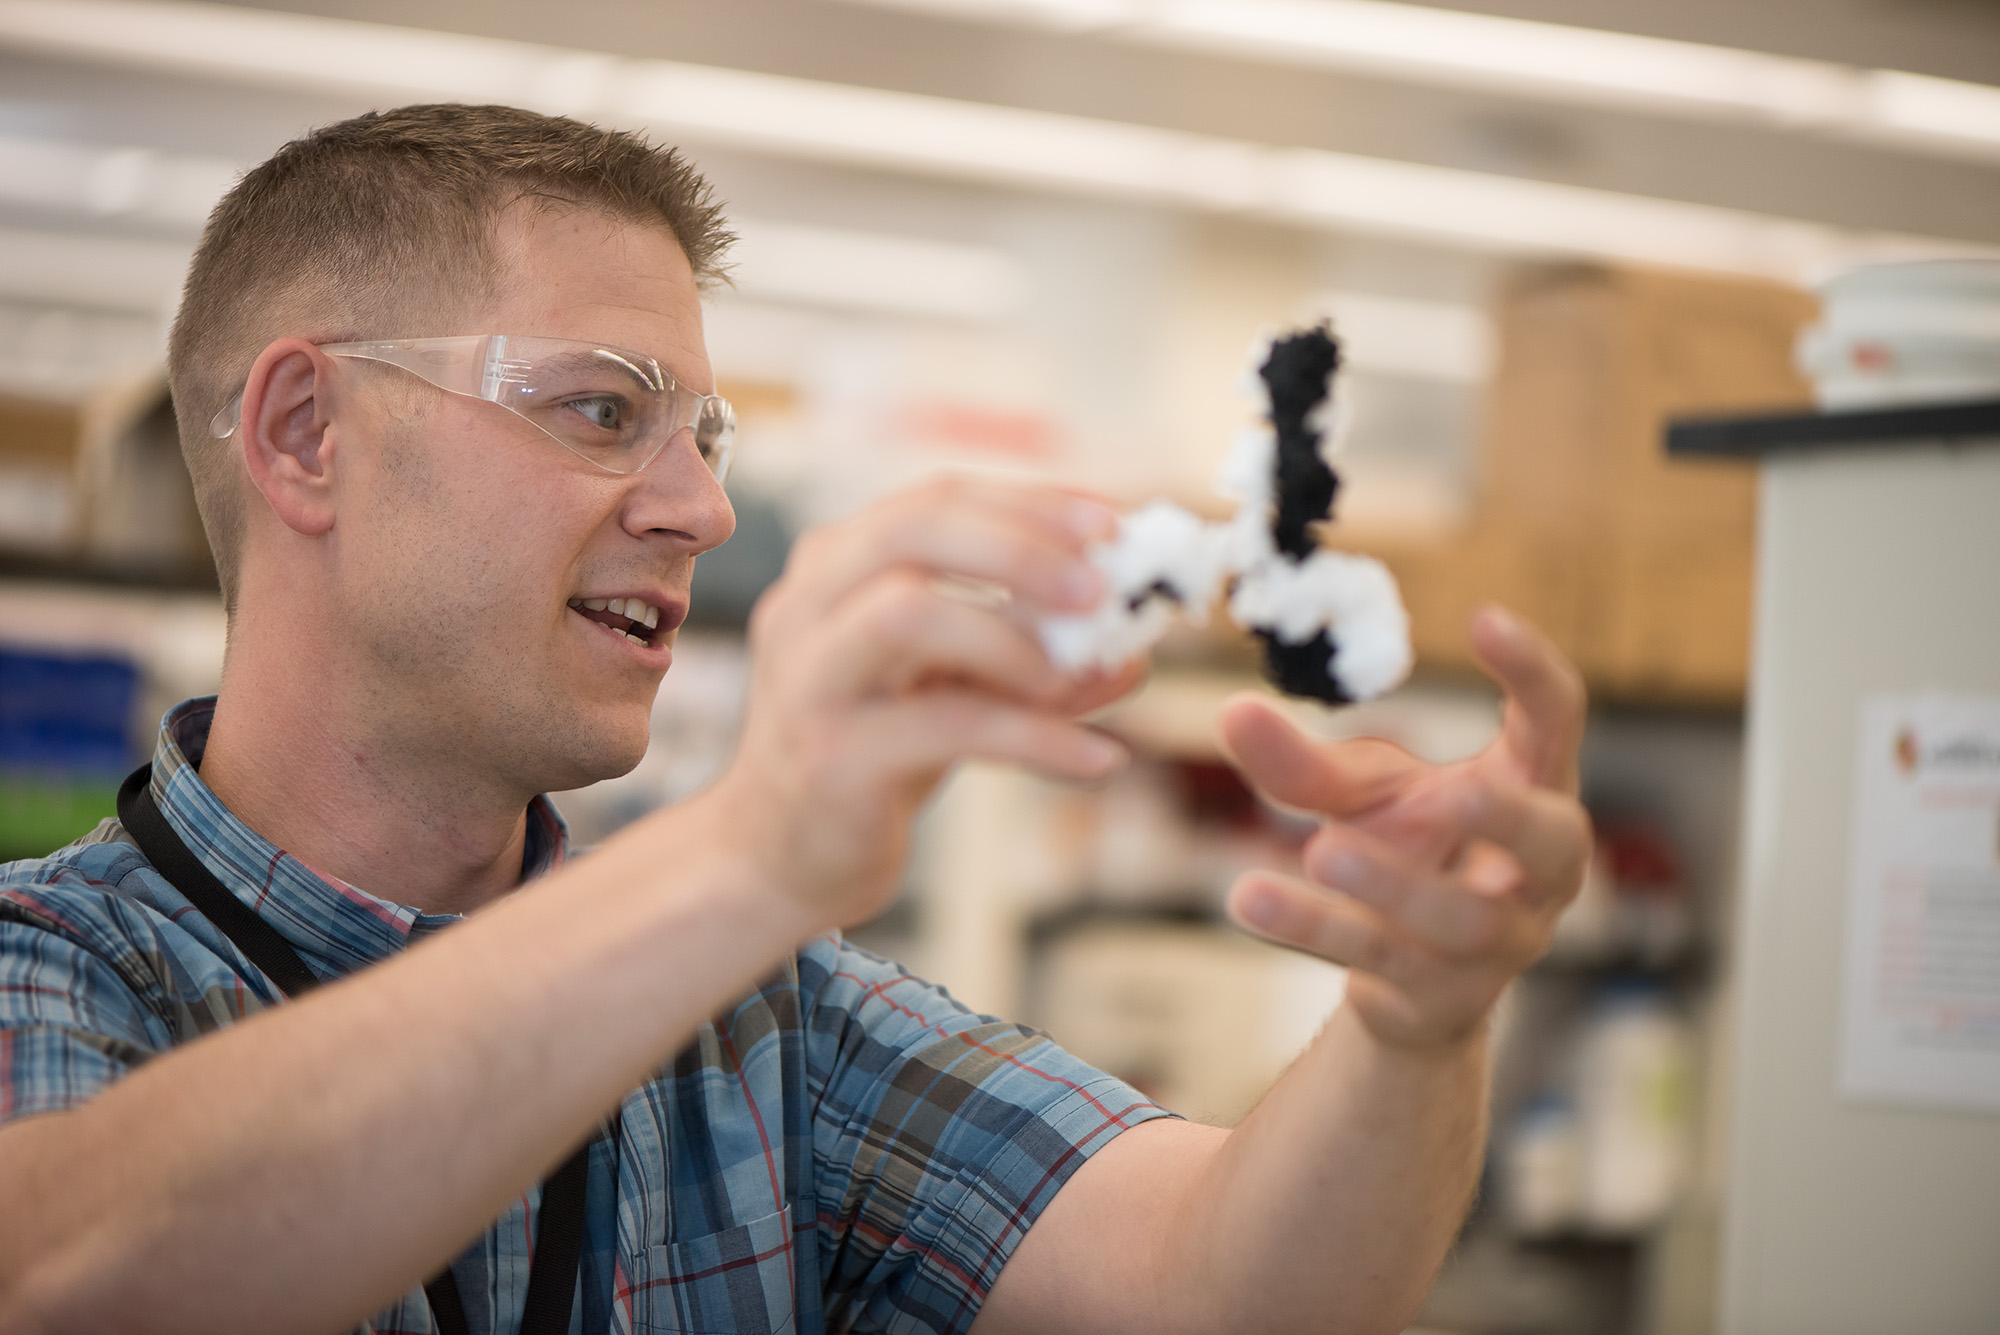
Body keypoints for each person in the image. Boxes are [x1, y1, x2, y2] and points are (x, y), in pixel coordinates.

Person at [0, 104, 1590, 1335]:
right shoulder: (49, 969)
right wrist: (746, 850)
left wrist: (1415, 1025)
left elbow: (1230, 1290)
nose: (700, 508)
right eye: (604, 410)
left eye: (705, 435)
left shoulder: (764, 1031)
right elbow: (71, 1272)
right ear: (305, 436)